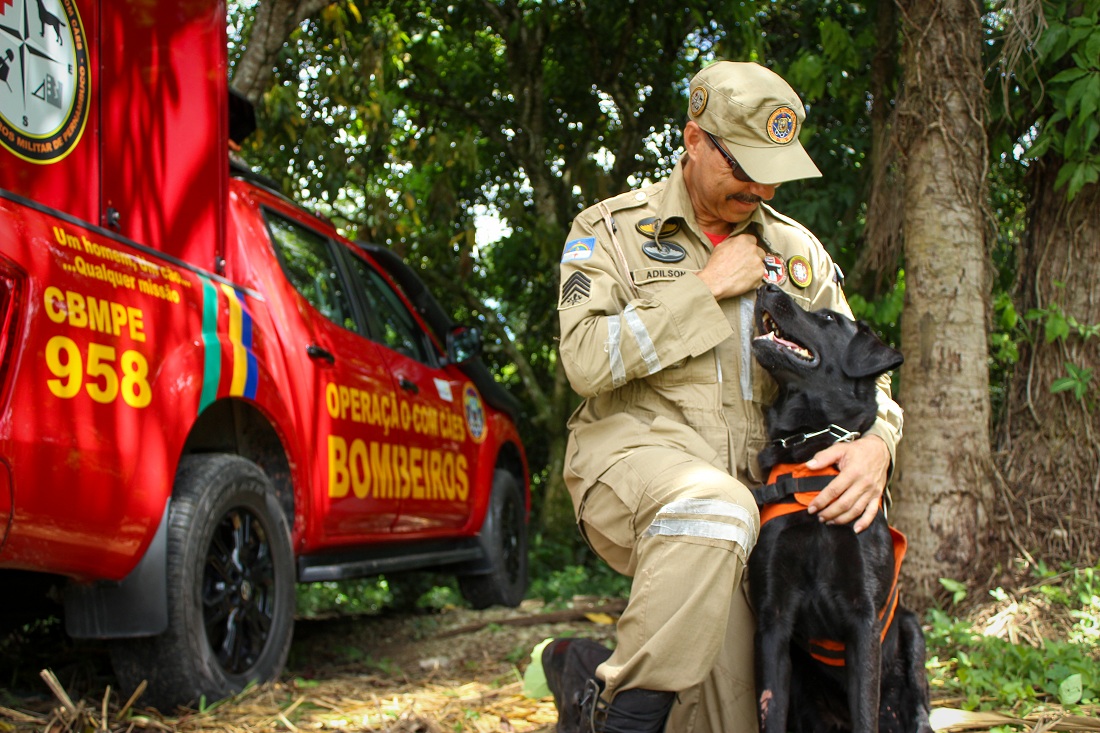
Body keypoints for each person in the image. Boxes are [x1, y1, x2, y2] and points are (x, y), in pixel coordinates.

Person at [544, 61, 904, 733]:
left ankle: (582, 672)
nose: (761, 185)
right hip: (635, 465)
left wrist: (878, 443)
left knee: (741, 717)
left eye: (774, 168)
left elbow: (867, 371)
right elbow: (585, 361)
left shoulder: (796, 251)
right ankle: (615, 721)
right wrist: (703, 285)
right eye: (742, 165)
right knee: (714, 509)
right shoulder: (612, 231)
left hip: (761, 506)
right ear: (694, 140)